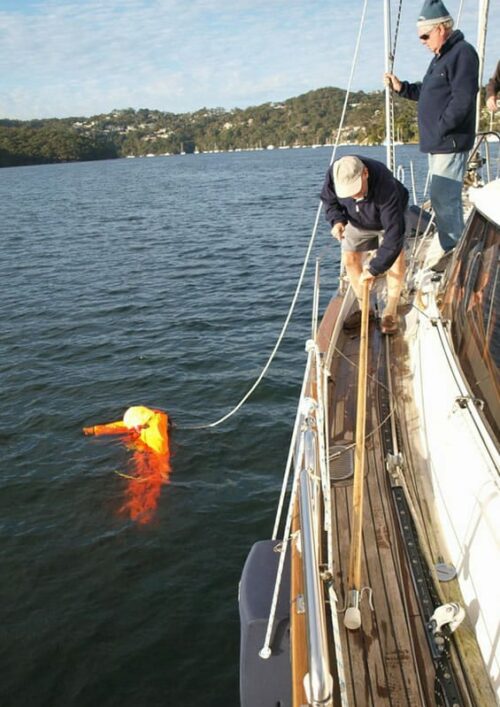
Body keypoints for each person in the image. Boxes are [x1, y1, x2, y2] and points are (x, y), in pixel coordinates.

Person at [384, 0, 479, 264]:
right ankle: (455, 248)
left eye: (425, 35)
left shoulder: (462, 53)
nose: (422, 41)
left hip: (448, 141)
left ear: (441, 28)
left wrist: (441, 126)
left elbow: (463, 100)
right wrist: (402, 87)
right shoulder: (440, 59)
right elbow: (427, 92)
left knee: (443, 196)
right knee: (442, 198)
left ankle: (456, 254)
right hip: (438, 142)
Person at [320, 155, 408, 335]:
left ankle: (390, 309)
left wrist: (373, 269)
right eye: (348, 192)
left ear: (365, 173)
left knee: (396, 257)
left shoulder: (385, 185)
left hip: (387, 218)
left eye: (356, 190)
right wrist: (337, 221)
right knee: (349, 258)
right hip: (356, 220)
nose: (354, 195)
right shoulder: (335, 174)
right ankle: (365, 308)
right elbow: (329, 201)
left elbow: (394, 234)